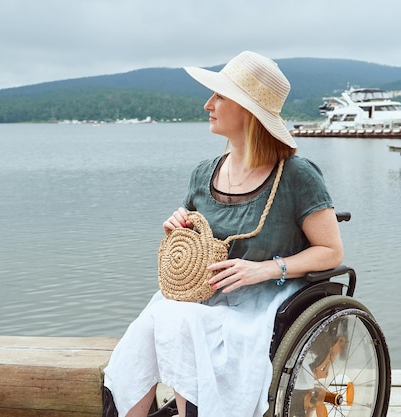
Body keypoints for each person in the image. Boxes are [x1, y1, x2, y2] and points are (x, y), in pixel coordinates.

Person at [102, 50, 343, 417]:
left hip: (265, 302)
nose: (207, 104)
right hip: (203, 296)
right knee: (148, 326)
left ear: (247, 110)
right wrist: (177, 228)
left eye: (219, 96)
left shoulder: (297, 176)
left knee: (178, 320)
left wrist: (264, 269)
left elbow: (330, 251)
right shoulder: (204, 173)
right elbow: (195, 239)